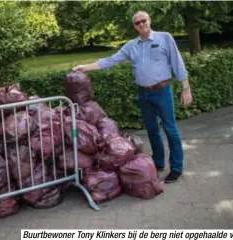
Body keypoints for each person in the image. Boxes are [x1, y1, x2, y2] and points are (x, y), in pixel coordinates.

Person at [73, 11, 193, 183]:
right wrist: (85, 67)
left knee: (170, 129)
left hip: (162, 91)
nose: (141, 24)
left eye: (143, 20)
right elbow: (111, 60)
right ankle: (158, 163)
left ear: (149, 20)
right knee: (152, 130)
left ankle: (176, 168)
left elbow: (177, 63)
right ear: (134, 26)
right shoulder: (131, 46)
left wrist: (186, 87)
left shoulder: (164, 38)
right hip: (143, 93)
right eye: (137, 23)